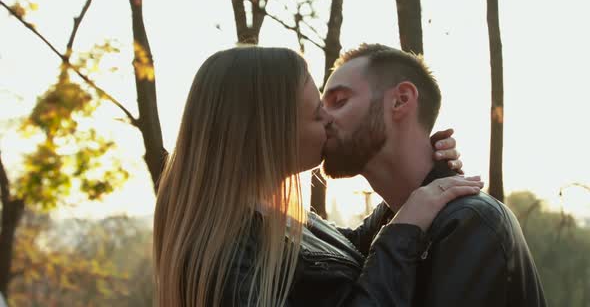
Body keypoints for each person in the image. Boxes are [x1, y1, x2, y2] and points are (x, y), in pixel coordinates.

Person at [153, 46, 483, 306]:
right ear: (269, 130)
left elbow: (346, 256)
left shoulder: (274, 218)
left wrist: (420, 180)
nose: (329, 119)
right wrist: (404, 229)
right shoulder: (222, 259)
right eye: (316, 113)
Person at [321, 43, 547, 306]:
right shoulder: (381, 231)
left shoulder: (470, 224)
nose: (323, 119)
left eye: (339, 102)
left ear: (401, 100)